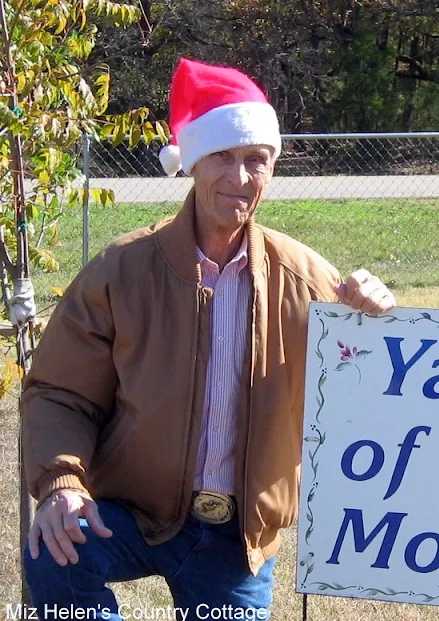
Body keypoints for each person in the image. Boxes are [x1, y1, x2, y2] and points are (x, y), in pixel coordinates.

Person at [21, 57, 396, 620]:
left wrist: (374, 311)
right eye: (223, 156)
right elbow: (59, 393)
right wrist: (60, 484)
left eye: (256, 160)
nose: (239, 178)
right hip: (131, 511)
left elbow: (372, 385)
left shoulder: (305, 278)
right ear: (194, 162)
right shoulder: (121, 272)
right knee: (54, 551)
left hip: (237, 539)